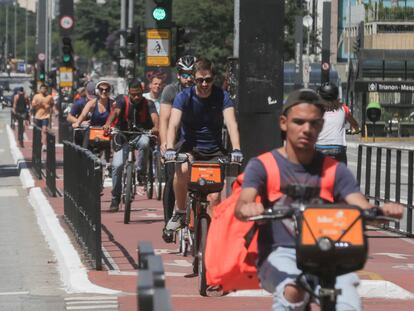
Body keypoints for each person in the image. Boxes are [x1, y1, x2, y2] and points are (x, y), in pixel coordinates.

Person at [234, 88, 403, 311]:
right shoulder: (264, 165)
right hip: (279, 253)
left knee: (347, 300)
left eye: (314, 123)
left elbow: (360, 206)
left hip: (329, 252)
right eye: (299, 122)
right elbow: (242, 204)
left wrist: (380, 212)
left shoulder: (335, 170)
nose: (306, 129)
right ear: (284, 123)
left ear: (321, 126)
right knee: (292, 291)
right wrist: (249, 208)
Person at [163, 57, 243, 241]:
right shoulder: (184, 97)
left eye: (208, 80)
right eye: (200, 80)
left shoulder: (222, 96)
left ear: (213, 78)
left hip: (214, 149)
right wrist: (169, 148)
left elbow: (231, 124)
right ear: (194, 79)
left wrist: (237, 149)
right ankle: (181, 212)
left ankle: (212, 240)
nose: (204, 84)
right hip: (189, 146)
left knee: (215, 197)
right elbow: (173, 125)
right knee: (181, 170)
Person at [104, 78, 159, 212]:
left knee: (145, 143)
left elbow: (155, 117)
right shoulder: (122, 100)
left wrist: (156, 127)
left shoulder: (148, 103)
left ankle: (141, 173)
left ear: (142, 92)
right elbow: (115, 112)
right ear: (128, 92)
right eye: (133, 94)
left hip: (141, 134)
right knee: (117, 166)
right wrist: (107, 124)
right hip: (122, 135)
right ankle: (115, 198)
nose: (136, 97)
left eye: (139, 94)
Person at [159, 55, 197, 224]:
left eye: (192, 74)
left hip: (196, 139)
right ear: (179, 75)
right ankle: (169, 222)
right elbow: (165, 120)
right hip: (175, 139)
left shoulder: (203, 89)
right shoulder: (170, 91)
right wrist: (165, 144)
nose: (188, 79)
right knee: (171, 178)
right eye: (185, 74)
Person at [315, 82, 360, 165]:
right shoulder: (343, 109)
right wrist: (356, 129)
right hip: (338, 149)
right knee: (341, 175)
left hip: (319, 148)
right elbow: (355, 124)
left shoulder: (316, 109)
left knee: (316, 174)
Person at [73, 80, 114, 162]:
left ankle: (108, 166)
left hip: (106, 133)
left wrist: (113, 126)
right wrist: (77, 123)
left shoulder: (113, 104)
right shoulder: (92, 103)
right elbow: (83, 114)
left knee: (111, 147)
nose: (104, 91)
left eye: (107, 89)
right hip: (92, 132)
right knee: (85, 151)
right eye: (101, 89)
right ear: (97, 91)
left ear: (110, 91)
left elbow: (117, 117)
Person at [31, 84, 55, 151]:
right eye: (42, 88)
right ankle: (36, 144)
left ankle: (44, 145)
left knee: (44, 130)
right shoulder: (36, 96)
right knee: (37, 131)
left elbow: (52, 104)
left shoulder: (49, 97)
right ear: (40, 89)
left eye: (45, 89)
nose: (43, 90)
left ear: (46, 90)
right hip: (37, 116)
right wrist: (39, 104)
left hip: (45, 116)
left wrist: (50, 108)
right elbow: (33, 105)